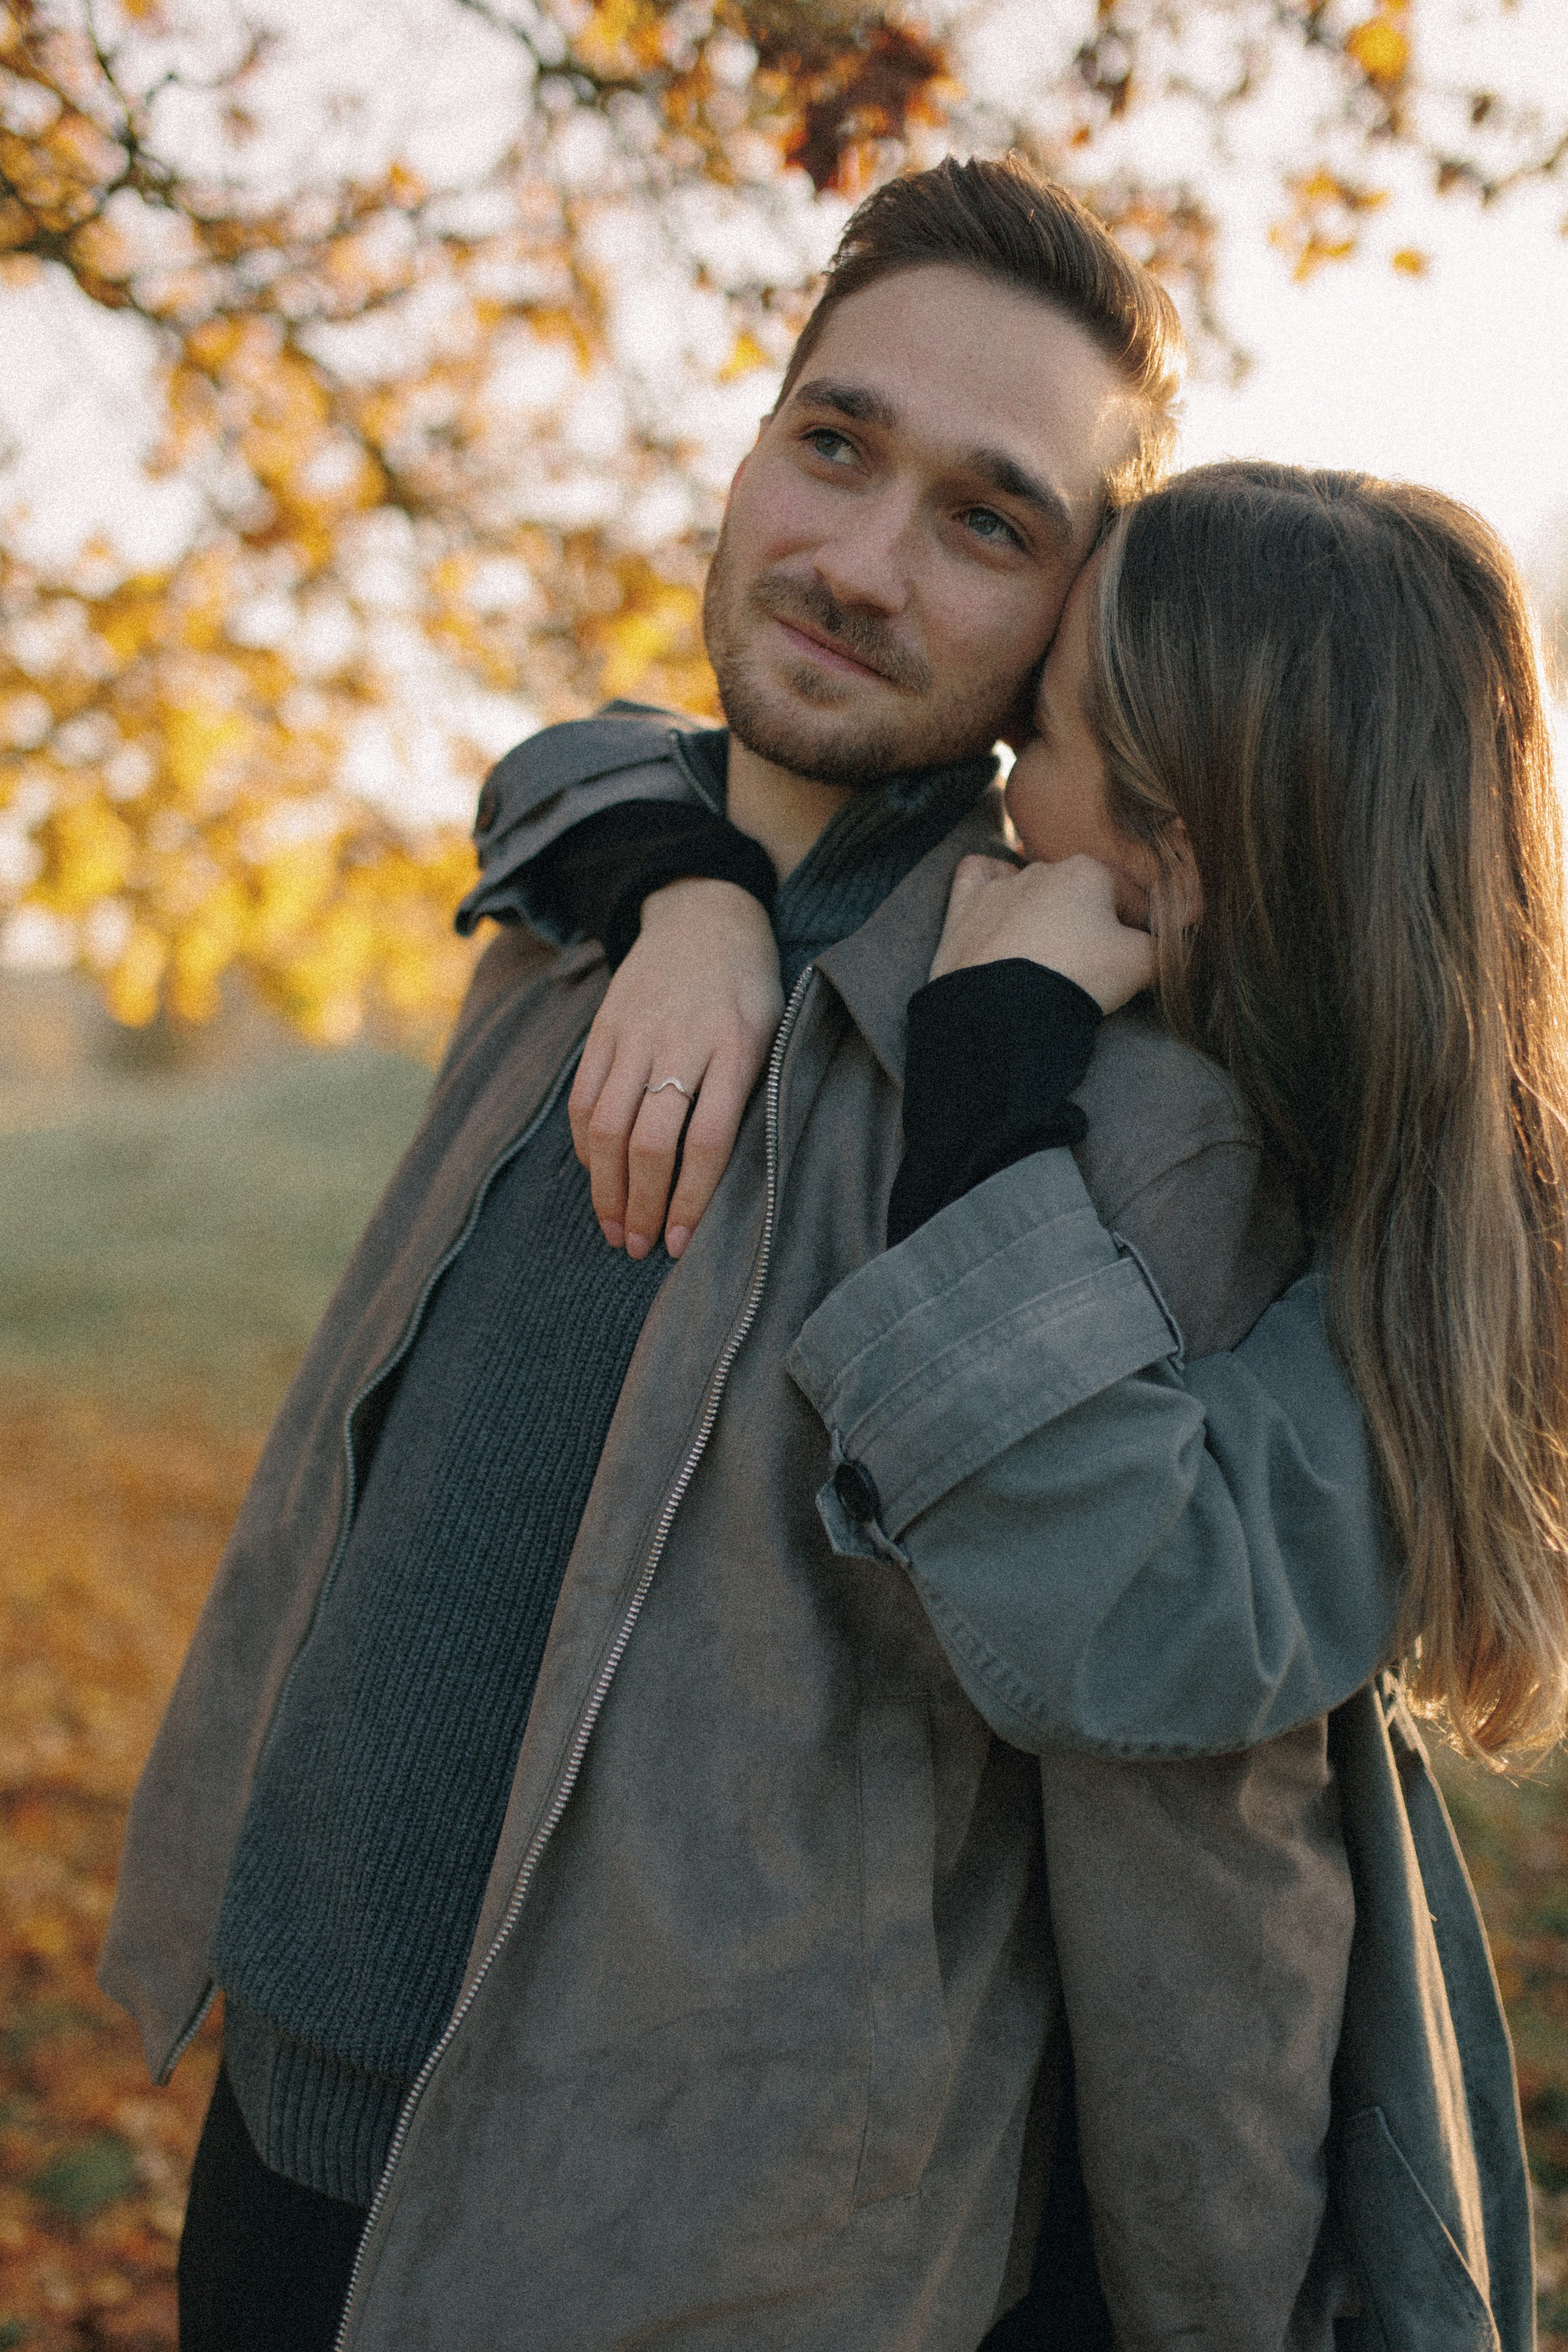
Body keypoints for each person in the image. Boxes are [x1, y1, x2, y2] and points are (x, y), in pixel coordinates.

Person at [103, 159, 1410, 2351]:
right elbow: (572, 763)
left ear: (1076, 617)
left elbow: (1205, 1849)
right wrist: (686, 887)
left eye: (988, 522)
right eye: (835, 444)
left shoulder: (1102, 1100)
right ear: (757, 439)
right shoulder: (574, 915)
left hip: (699, 2265)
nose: (861, 565)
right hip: (286, 2145)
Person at [529, 459, 1564, 2348]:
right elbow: (591, 754)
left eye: (1054, 734)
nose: (1002, 771)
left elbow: (1132, 1611)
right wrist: (690, 890)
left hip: (1171, 2221)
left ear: (1181, 851)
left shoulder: (1388, 1250)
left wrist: (992, 1095)